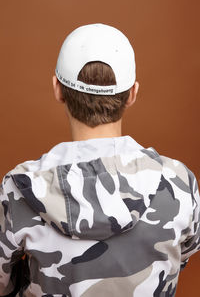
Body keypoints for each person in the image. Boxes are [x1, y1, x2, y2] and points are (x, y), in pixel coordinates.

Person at [0, 23, 199, 297]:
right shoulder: (180, 183)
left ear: (57, 89)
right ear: (132, 94)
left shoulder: (18, 189)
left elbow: (2, 282)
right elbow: (182, 254)